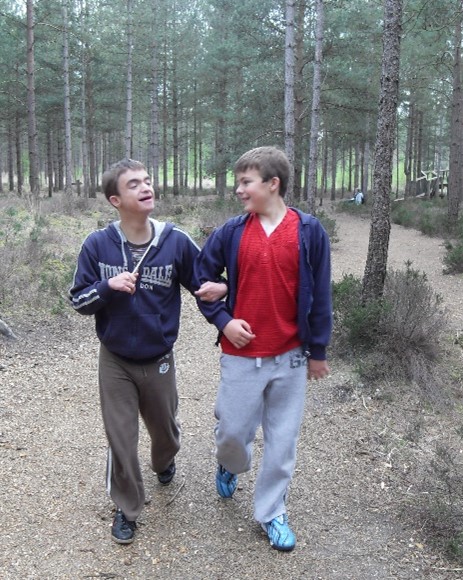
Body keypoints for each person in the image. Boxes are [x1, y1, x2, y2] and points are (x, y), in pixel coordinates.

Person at [68, 159, 226, 544]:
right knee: (120, 437)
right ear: (115, 200)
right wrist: (107, 287)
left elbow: (204, 287)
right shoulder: (97, 244)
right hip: (116, 360)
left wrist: (225, 306)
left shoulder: (175, 241)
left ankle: (163, 460)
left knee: (165, 433)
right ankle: (128, 507)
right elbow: (78, 300)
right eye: (134, 183)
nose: (145, 187)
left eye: (147, 180)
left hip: (158, 359)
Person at [194, 146, 332, 552]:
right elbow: (202, 278)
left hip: (290, 356)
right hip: (241, 356)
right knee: (232, 433)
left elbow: (320, 294)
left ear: (273, 184)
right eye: (238, 182)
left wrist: (318, 351)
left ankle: (272, 512)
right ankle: (230, 463)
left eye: (246, 182)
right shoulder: (232, 232)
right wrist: (224, 319)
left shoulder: (308, 231)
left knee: (282, 441)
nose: (239, 190)